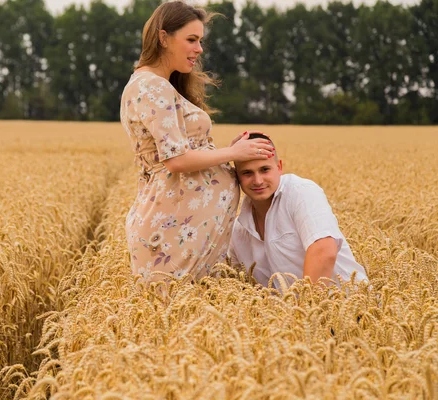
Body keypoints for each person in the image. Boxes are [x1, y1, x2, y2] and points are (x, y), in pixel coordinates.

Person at [119, 1, 274, 283]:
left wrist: (225, 151)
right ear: (163, 38)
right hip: (170, 233)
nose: (199, 49)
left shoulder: (153, 84)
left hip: (179, 230)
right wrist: (232, 152)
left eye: (200, 40)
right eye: (191, 39)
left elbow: (181, 151)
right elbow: (176, 160)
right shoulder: (152, 86)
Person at [229, 133, 368, 288]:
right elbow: (235, 280)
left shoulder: (301, 192)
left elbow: (324, 250)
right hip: (288, 311)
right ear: (236, 177)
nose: (258, 180)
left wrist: (305, 308)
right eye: (247, 173)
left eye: (265, 169)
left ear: (279, 167)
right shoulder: (238, 231)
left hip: (350, 306)